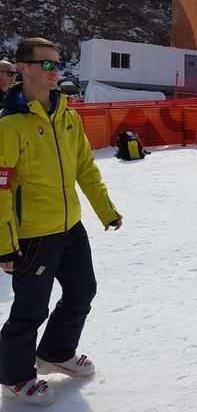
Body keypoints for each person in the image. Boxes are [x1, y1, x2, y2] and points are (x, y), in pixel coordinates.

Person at [0, 38, 123, 406]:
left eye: (59, 64)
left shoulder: (68, 116)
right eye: (48, 64)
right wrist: (5, 244)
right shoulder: (9, 125)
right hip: (33, 234)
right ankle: (14, 376)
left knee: (82, 291)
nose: (57, 72)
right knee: (31, 309)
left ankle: (55, 351)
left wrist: (106, 209)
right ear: (23, 68)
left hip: (71, 227)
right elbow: (1, 188)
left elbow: (85, 167)